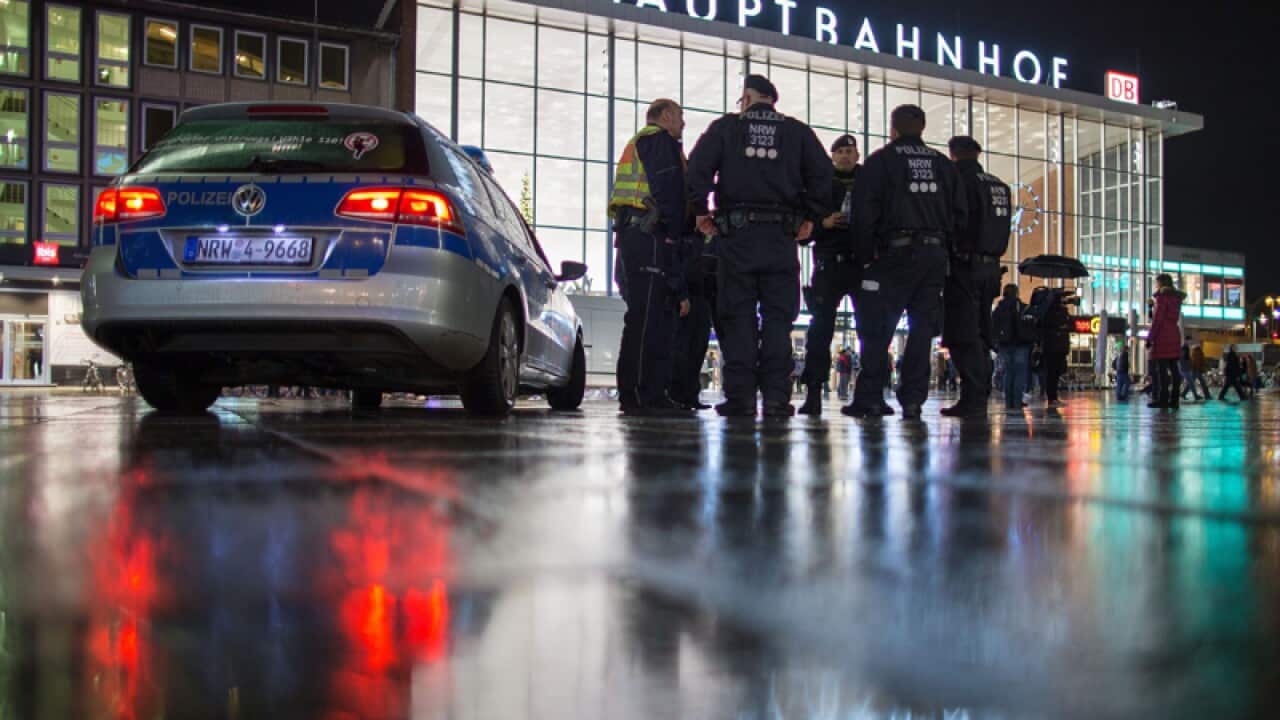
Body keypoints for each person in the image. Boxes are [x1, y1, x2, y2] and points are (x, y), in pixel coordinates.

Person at [686, 74, 833, 418]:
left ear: (749, 97)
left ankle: (740, 398)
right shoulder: (797, 132)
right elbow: (823, 175)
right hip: (781, 239)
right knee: (779, 320)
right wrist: (810, 217)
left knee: (737, 317)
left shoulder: (727, 127)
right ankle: (777, 398)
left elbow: (697, 168)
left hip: (737, 237)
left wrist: (699, 210)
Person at [841, 105, 967, 420]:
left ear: (893, 128)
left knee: (877, 328)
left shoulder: (881, 161)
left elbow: (864, 213)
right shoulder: (943, 165)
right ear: (922, 127)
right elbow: (960, 215)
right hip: (933, 256)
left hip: (892, 255)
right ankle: (912, 400)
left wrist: (865, 256)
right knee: (922, 330)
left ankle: (869, 397)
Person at [610, 98, 693, 416]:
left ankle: (644, 392)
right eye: (680, 116)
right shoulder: (659, 141)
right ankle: (642, 394)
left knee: (646, 317)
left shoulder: (641, 143)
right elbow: (669, 193)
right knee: (647, 320)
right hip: (650, 236)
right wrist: (673, 237)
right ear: (667, 115)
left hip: (636, 235)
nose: (683, 124)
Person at [940, 136, 1011, 418]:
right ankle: (978, 394)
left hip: (965, 266)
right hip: (991, 267)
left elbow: (955, 221)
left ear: (953, 154)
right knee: (981, 332)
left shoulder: (958, 180)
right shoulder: (999, 186)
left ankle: (973, 395)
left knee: (961, 333)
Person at [798, 135, 862, 415]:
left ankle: (869, 394)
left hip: (860, 262)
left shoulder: (869, 181)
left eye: (850, 151)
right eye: (841, 151)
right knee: (820, 330)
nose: (846, 156)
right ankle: (814, 391)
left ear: (857, 155)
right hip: (828, 262)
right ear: (833, 155)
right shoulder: (819, 183)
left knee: (871, 330)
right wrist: (823, 223)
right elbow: (802, 232)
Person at [669, 233, 719, 410]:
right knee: (682, 348)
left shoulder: (711, 240)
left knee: (698, 349)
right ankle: (677, 395)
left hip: (703, 299)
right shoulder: (684, 237)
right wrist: (681, 294)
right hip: (687, 299)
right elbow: (677, 267)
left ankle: (690, 395)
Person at [1145, 273, 1185, 410]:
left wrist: (1150, 338)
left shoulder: (1162, 299)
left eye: (1157, 283)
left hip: (1162, 336)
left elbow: (1157, 320)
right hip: (1174, 334)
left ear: (1161, 284)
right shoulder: (1176, 299)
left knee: (1161, 371)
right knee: (1174, 369)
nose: (1156, 285)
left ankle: (1163, 399)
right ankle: (1174, 399)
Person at [991, 283, 1033, 410]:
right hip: (1020, 344)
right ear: (1016, 293)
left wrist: (996, 344)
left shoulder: (999, 308)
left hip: (1004, 344)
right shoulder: (1022, 307)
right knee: (1019, 373)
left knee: (1008, 372)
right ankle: (1017, 401)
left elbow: (993, 326)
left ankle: (1009, 402)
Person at [1038, 291, 1072, 408]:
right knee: (1053, 373)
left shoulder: (1051, 312)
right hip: (1054, 348)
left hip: (1057, 348)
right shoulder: (1053, 312)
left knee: (1055, 373)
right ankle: (1052, 397)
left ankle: (1053, 397)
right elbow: (1067, 324)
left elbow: (1070, 324)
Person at [1178, 336, 1201, 402]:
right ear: (1187, 340)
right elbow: (1182, 358)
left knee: (1181, 382)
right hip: (1185, 369)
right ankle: (1196, 396)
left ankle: (1177, 394)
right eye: (1190, 341)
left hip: (1185, 368)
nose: (1190, 342)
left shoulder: (1186, 348)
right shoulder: (1185, 348)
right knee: (1191, 382)